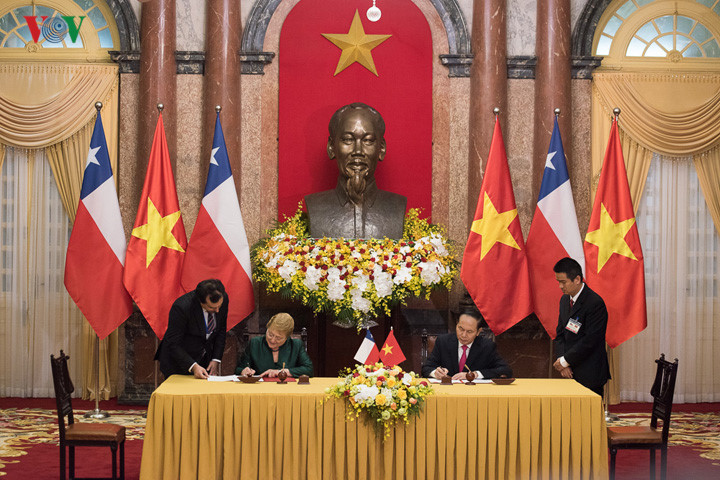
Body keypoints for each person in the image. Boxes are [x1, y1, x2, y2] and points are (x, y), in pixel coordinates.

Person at [304, 102, 407, 239]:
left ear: (381, 149)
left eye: (368, 140)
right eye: (348, 140)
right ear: (331, 147)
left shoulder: (397, 206)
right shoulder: (315, 206)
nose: (358, 151)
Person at [552, 257, 610, 396]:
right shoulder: (565, 300)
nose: (560, 286)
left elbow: (590, 340)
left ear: (577, 279)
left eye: (563, 282)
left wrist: (565, 361)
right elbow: (560, 333)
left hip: (589, 372)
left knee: (589, 416)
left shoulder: (594, 303)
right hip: (568, 370)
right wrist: (562, 362)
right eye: (558, 282)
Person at [156, 279, 228, 379]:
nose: (217, 310)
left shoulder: (222, 298)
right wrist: (193, 366)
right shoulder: (182, 307)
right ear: (200, 302)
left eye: (219, 306)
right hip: (178, 362)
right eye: (212, 307)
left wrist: (216, 359)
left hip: (204, 360)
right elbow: (172, 343)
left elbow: (221, 330)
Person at [421, 310, 512, 380]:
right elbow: (426, 368)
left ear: (478, 332)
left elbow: (506, 370)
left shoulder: (487, 346)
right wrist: (435, 373)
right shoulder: (443, 342)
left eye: (469, 331)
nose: (463, 335)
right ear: (456, 325)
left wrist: (474, 375)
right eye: (460, 328)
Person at [236, 313, 313, 378]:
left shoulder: (296, 345)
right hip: (260, 390)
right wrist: (244, 371)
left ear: (287, 337)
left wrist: (281, 372)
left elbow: (309, 369)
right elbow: (239, 369)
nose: (272, 340)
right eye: (270, 334)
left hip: (288, 390)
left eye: (278, 338)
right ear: (267, 328)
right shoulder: (255, 343)